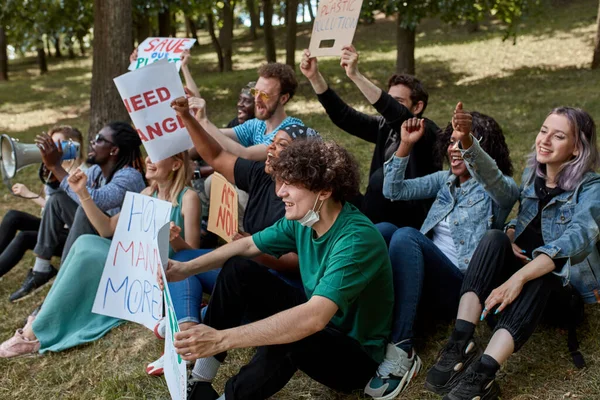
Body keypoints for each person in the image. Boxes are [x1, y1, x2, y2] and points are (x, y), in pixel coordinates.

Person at [160, 139, 394, 400]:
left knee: (293, 332)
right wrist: (184, 268)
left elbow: (313, 319)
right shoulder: (304, 219)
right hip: (322, 320)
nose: (280, 192)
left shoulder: (356, 240)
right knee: (239, 269)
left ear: (324, 190)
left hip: (355, 356)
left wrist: (221, 338)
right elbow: (247, 246)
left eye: (290, 184)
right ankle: (200, 379)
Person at [424, 107, 600, 400]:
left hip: (560, 293)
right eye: (544, 131)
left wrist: (518, 278)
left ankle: (484, 372)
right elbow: (503, 194)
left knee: (547, 275)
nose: (545, 140)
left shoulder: (592, 188)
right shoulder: (535, 173)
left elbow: (578, 239)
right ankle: (460, 342)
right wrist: (509, 232)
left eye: (558, 136)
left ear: (577, 148)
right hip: (516, 282)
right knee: (493, 237)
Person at [145, 97, 320, 376]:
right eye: (273, 142)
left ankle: (195, 333)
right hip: (243, 266)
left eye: (282, 146)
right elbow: (214, 156)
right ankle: (187, 333)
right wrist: (187, 117)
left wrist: (252, 249)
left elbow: (299, 263)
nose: (271, 148)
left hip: (279, 288)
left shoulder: (304, 198)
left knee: (232, 267)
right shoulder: (262, 175)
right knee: (185, 259)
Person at [364, 104, 518, 400]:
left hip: (463, 289)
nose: (455, 148)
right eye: (451, 142)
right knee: (382, 230)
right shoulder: (443, 182)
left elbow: (495, 179)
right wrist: (406, 145)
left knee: (406, 235)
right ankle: (363, 319)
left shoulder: (499, 191)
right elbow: (392, 190)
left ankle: (402, 351)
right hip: (429, 274)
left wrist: (468, 141)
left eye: (465, 142)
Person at [0, 151, 201, 357]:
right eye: (147, 154)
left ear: (176, 165)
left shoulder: (188, 198)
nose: (148, 159)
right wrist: (82, 193)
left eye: (156, 155)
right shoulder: (147, 193)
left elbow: (193, 258)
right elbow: (107, 229)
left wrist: (173, 238)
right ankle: (40, 321)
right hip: (134, 262)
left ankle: (34, 332)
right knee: (85, 242)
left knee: (88, 252)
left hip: (160, 274)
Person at [300, 45, 441, 228]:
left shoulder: (426, 131)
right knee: (330, 178)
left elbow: (394, 112)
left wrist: (355, 75)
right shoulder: (384, 127)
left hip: (409, 223)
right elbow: (343, 116)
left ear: (418, 107)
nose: (388, 106)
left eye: (398, 101)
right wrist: (314, 77)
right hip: (376, 212)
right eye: (389, 98)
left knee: (380, 178)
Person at [9, 122, 147, 302]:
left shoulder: (129, 176)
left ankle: (62, 283)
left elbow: (99, 200)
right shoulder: (98, 170)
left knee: (85, 209)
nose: (92, 142)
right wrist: (53, 169)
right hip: (102, 234)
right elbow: (71, 192)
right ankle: (42, 269)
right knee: (58, 200)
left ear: (113, 150)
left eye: (99, 140)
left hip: (121, 248)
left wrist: (56, 168)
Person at [0, 126, 84, 281]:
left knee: (24, 238)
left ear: (73, 145)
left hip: (73, 232)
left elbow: (71, 209)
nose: (50, 149)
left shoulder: (84, 172)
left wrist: (30, 195)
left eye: (56, 144)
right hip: (54, 227)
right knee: (13, 217)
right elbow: (51, 207)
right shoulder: (52, 170)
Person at [193, 62, 303, 161]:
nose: (257, 99)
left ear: (283, 98)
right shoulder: (258, 124)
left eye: (264, 94)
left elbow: (246, 155)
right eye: (255, 92)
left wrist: (204, 121)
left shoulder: (291, 131)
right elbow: (218, 134)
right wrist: (193, 120)